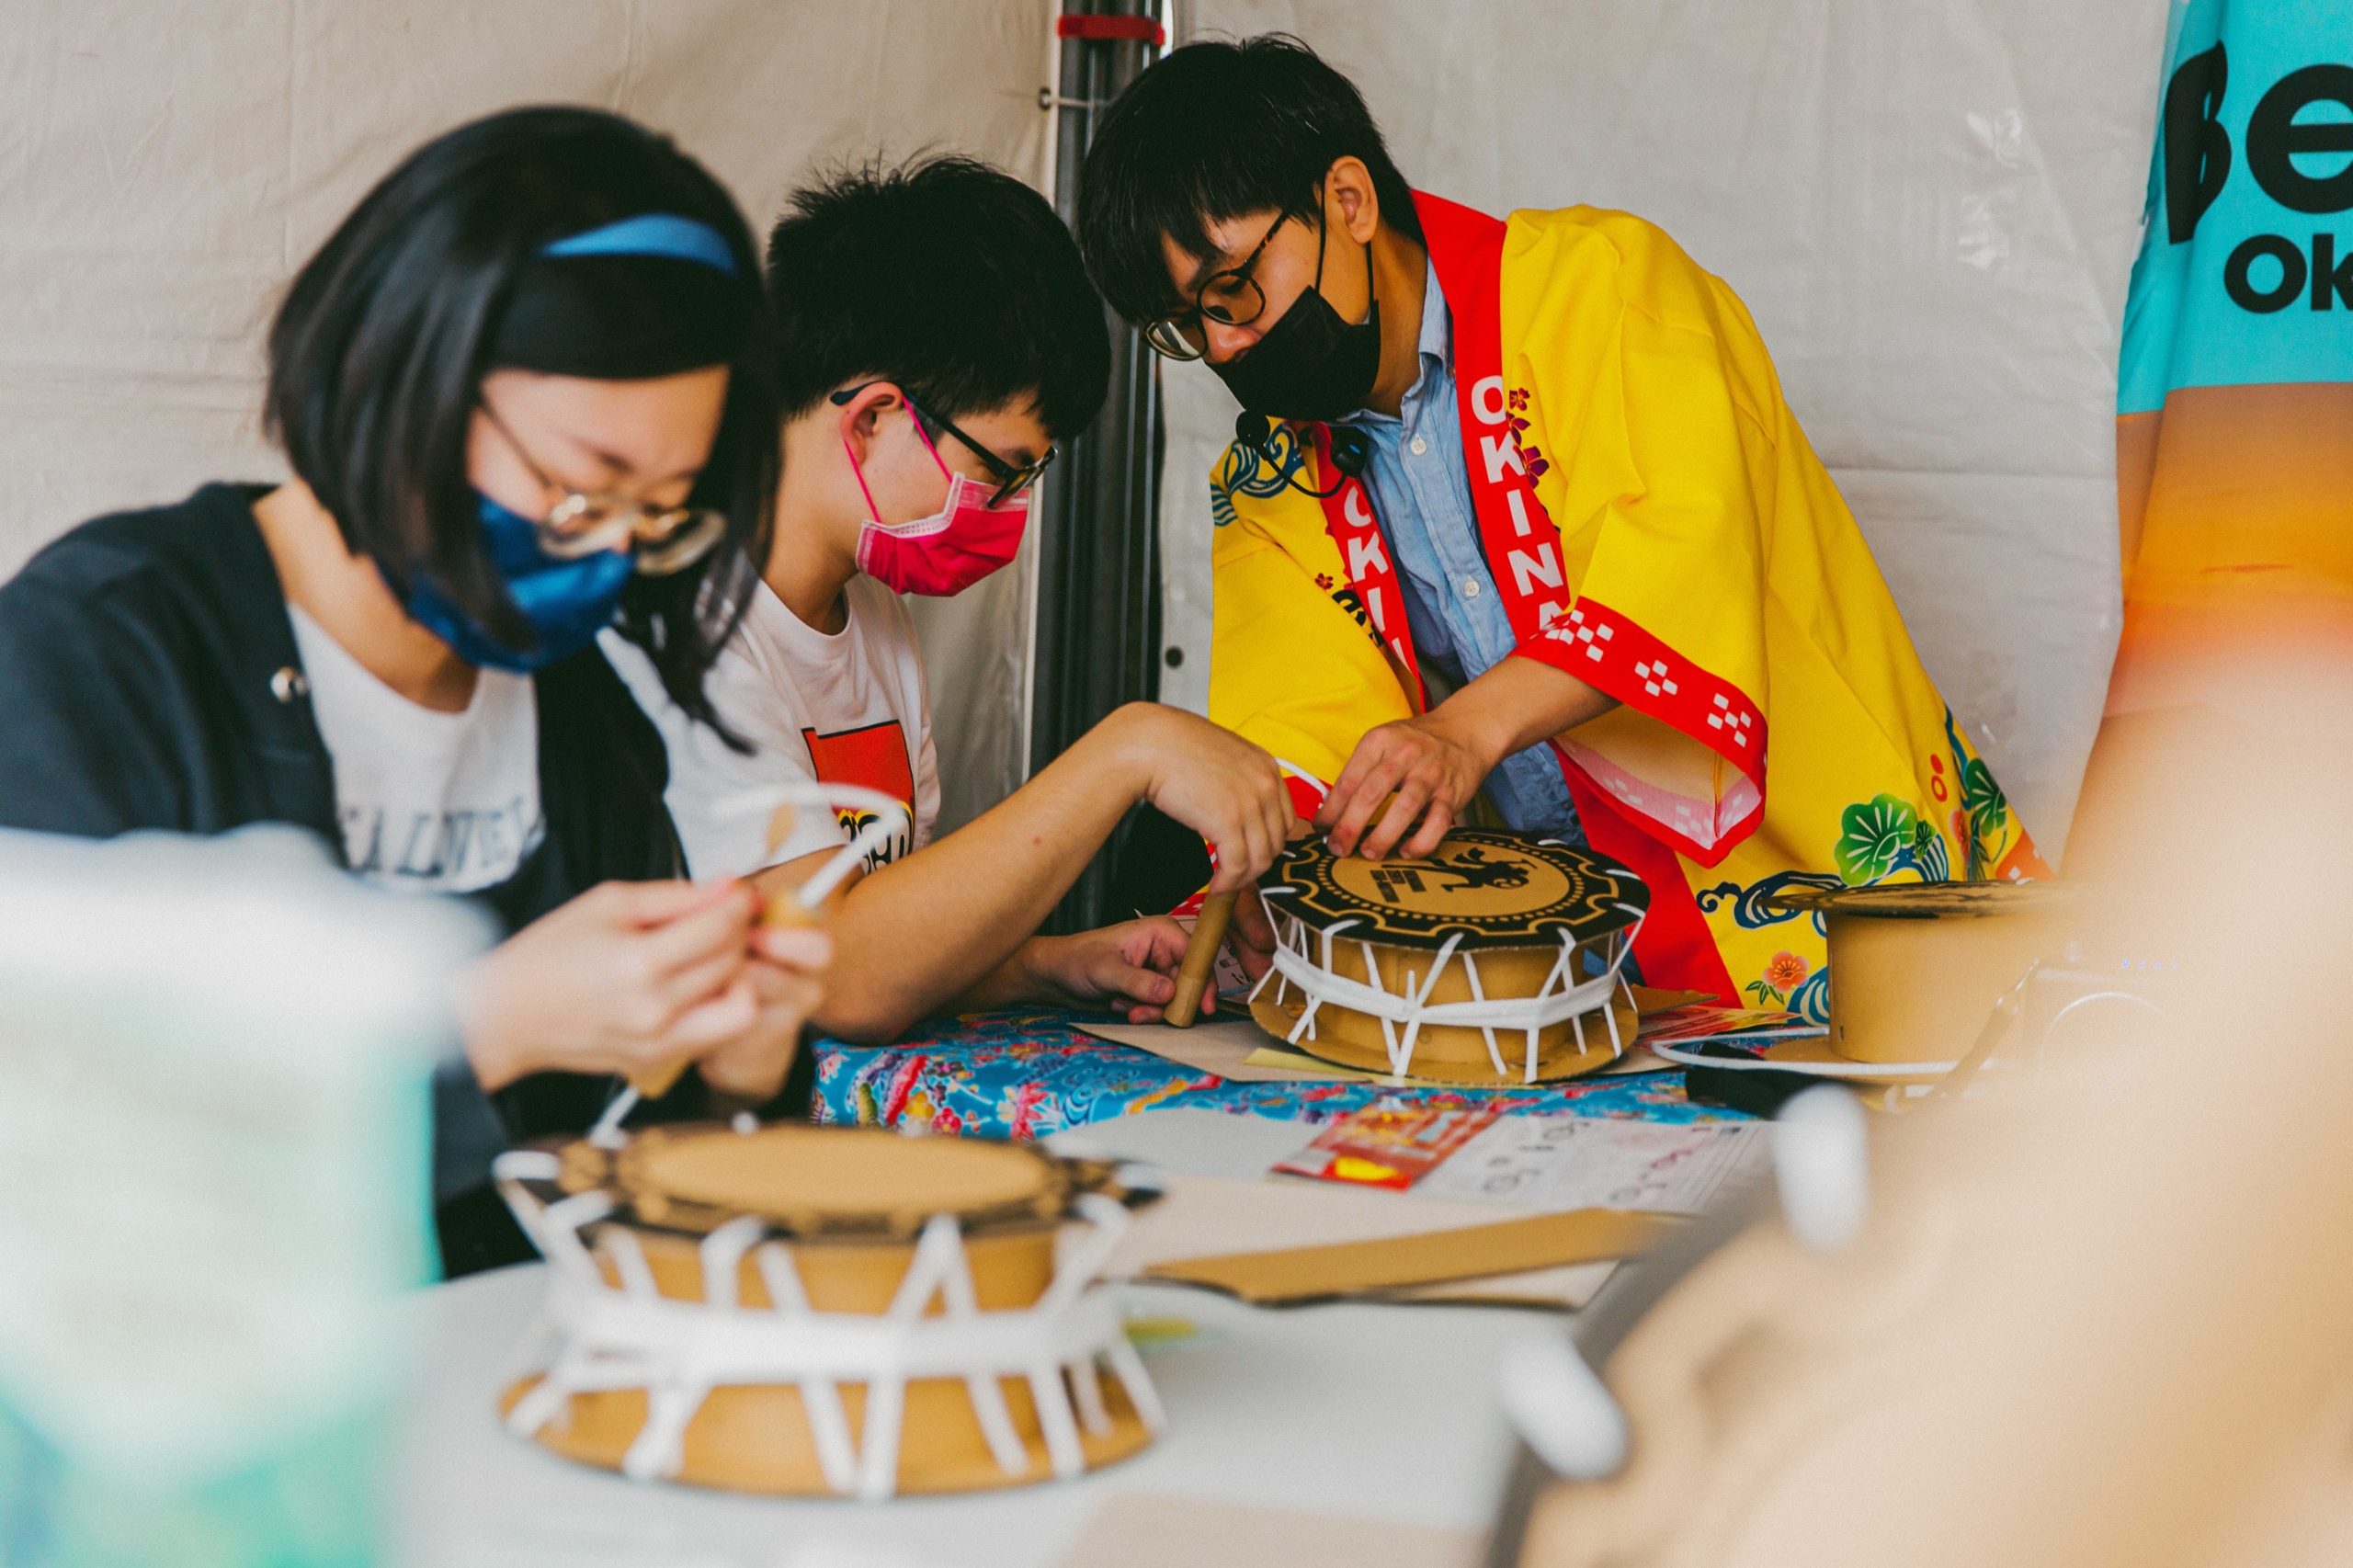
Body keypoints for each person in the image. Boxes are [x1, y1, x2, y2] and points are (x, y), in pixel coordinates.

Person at [0, 108, 830, 1274]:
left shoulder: (577, 706)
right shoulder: (104, 657)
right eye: (578, 487)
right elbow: (65, 1186)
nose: (602, 556)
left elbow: (629, 1190)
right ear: (409, 370)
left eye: (659, 513)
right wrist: (473, 1030)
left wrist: (738, 1071)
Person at [1074, 35, 2049, 1018]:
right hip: (1563, 955)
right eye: (1186, 326)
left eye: (1232, 288)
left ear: (1347, 201)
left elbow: (1676, 556)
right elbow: (1300, 726)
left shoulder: (1605, 287)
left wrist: (1462, 731)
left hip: (1806, 876)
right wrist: (1249, 866)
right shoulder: (1270, 473)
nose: (1225, 343)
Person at [607, 156, 1293, 1044]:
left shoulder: (874, 618)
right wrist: (1131, 747)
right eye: (1001, 472)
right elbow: (834, 978)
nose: (1010, 515)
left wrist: (1045, 963)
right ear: (873, 418)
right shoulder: (676, 617)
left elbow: (884, 937)